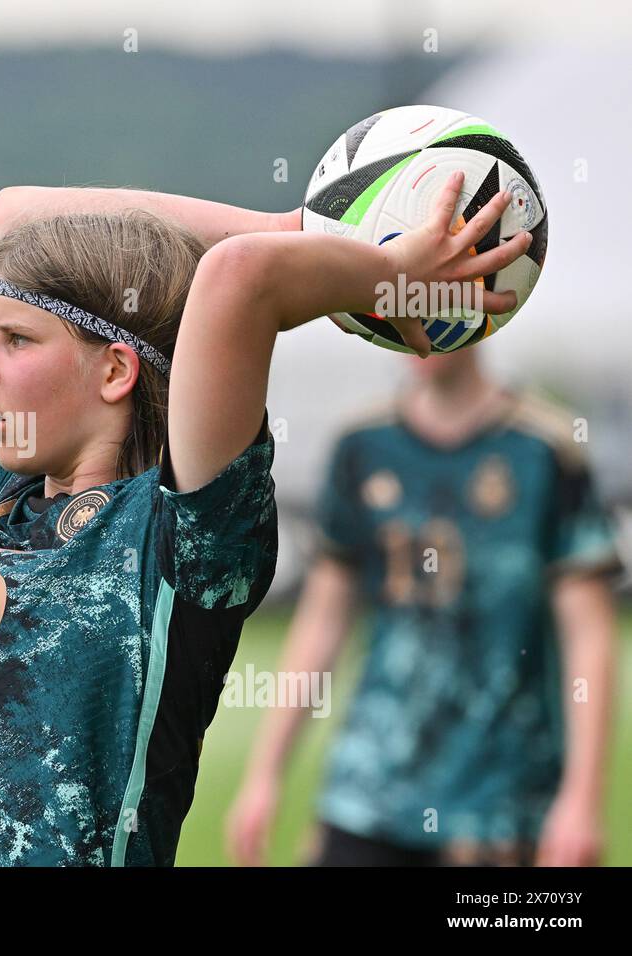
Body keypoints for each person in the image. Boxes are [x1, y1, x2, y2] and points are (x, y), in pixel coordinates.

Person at [0, 171, 531, 865]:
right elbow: (11, 212)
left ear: (114, 373)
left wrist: (378, 266)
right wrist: (301, 222)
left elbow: (240, 274)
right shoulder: (10, 499)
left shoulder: (179, 540)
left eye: (16, 339)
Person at [226, 347, 622, 867]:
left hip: (501, 801)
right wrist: (264, 775)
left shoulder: (546, 449)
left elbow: (588, 636)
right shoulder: (362, 444)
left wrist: (582, 801)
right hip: (367, 795)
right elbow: (322, 622)